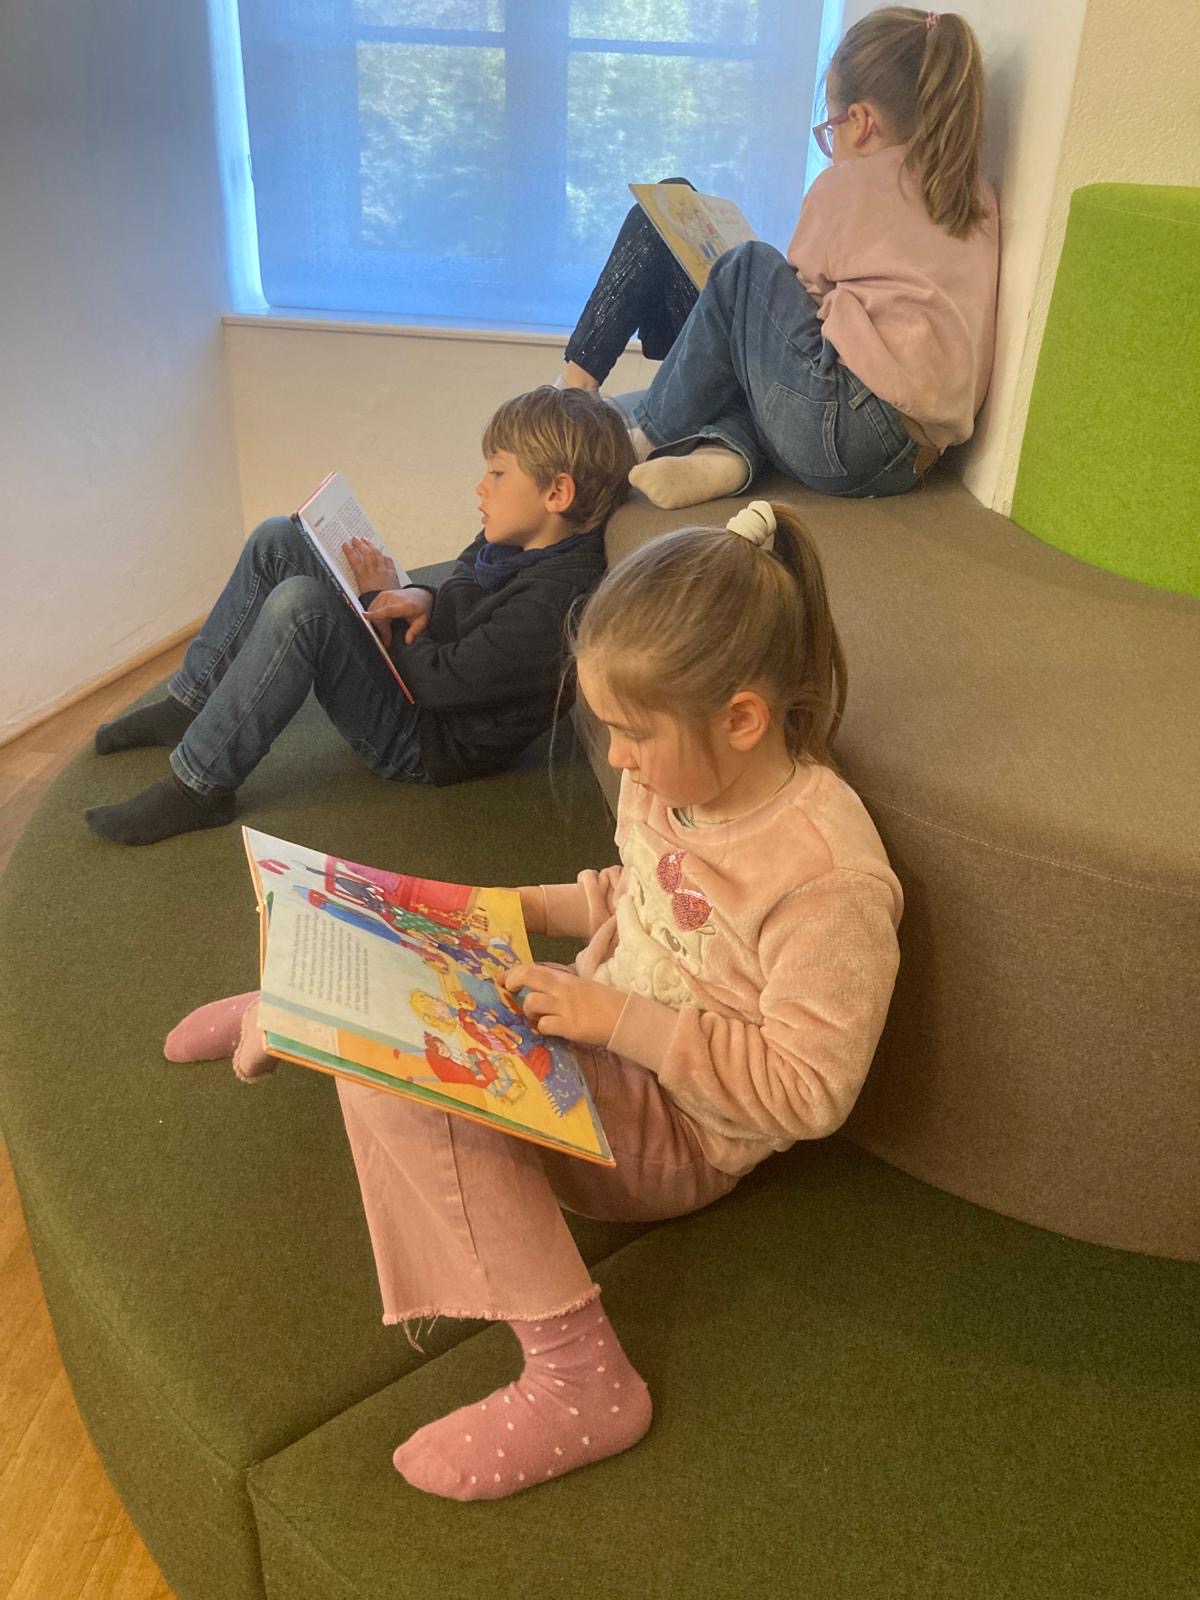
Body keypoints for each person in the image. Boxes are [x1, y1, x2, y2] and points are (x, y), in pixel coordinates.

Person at [164, 498, 903, 1499]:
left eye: (632, 736)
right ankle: (306, 1000)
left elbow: (808, 1090)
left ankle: (580, 1374)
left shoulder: (825, 878)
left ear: (742, 719)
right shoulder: (683, 779)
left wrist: (618, 1020)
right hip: (600, 1033)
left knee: (399, 1077)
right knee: (406, 958)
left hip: (682, 1133)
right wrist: (496, 910)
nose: (619, 762)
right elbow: (637, 896)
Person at [85, 387, 634, 845]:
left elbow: (442, 684)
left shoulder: (556, 603)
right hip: (423, 677)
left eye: (497, 473)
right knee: (278, 538)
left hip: (426, 739)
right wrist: (419, 596)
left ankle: (200, 786)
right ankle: (189, 704)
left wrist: (379, 598)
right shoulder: (519, 541)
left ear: (557, 492)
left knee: (303, 609)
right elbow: (464, 586)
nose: (480, 486)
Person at [557, 7, 998, 509]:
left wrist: (742, 293)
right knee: (725, 292)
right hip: (910, 462)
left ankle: (638, 439)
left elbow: (805, 302)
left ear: (860, 122)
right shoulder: (974, 199)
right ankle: (727, 456)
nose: (832, 148)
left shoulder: (847, 184)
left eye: (831, 130)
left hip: (846, 431)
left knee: (744, 265)